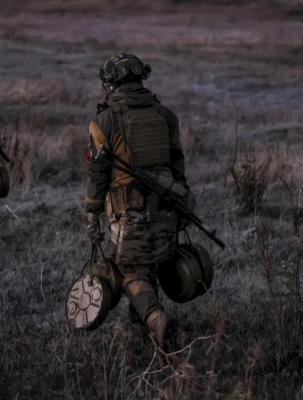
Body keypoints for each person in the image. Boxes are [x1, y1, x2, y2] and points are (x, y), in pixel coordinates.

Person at [85, 53, 190, 347]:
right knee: (149, 270)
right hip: (168, 206)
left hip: (128, 211)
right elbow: (178, 166)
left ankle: (157, 319)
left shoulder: (103, 120)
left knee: (128, 271)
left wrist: (92, 212)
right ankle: (142, 342)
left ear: (110, 82)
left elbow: (96, 171)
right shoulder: (166, 115)